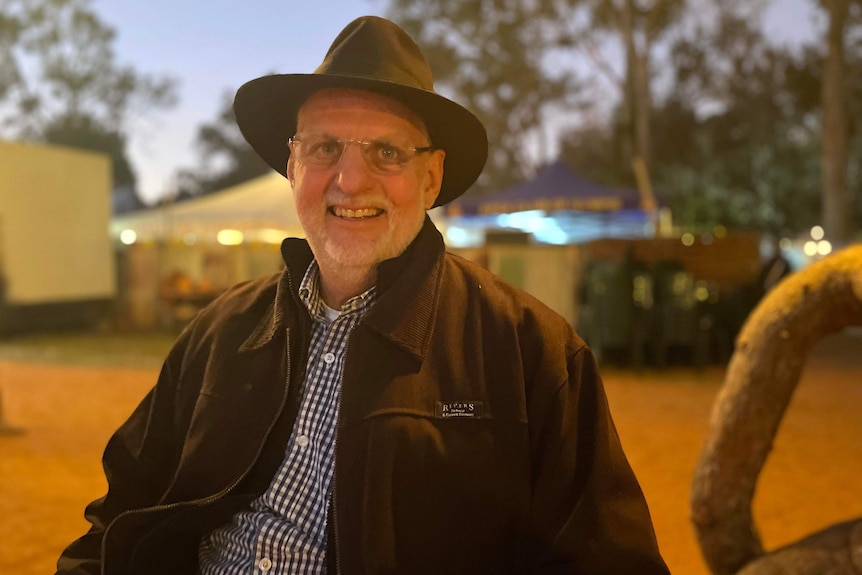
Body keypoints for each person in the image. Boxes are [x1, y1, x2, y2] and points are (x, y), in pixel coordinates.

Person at [57, 15, 670, 575]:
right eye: (324, 148)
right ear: (292, 167)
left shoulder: (532, 353)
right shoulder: (220, 331)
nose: (350, 180)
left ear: (430, 178)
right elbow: (120, 514)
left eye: (386, 152)